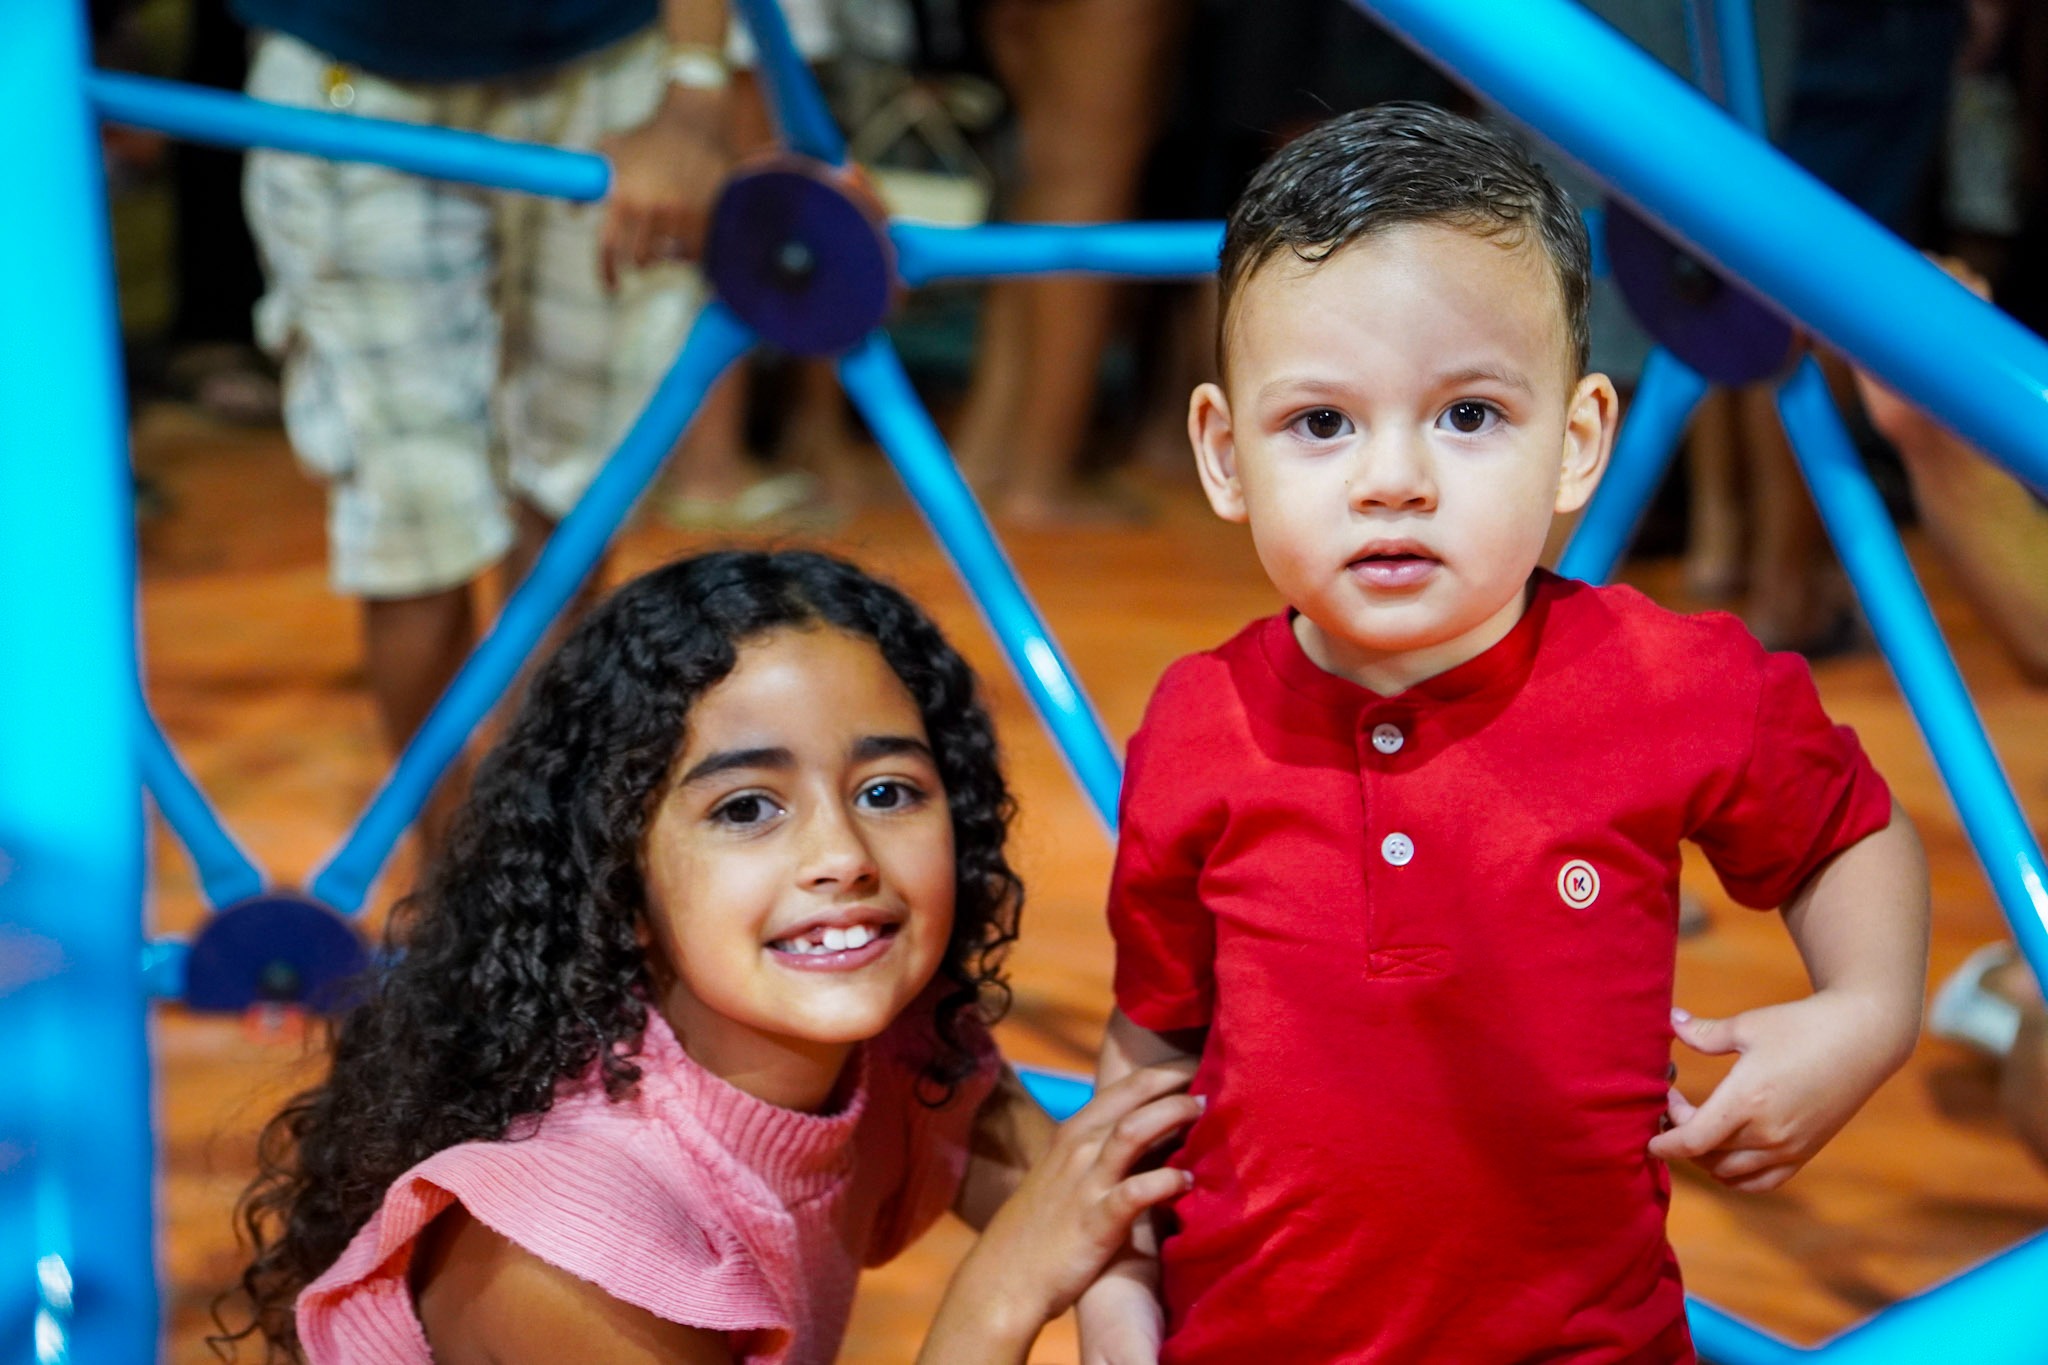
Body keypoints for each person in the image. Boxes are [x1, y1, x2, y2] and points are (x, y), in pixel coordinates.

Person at [1081, 105, 1931, 1364]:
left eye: (1467, 415)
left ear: (1575, 442)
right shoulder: (1198, 722)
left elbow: (1844, 833)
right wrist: (1112, 1286)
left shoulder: (1670, 682)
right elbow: (1151, 1040)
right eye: (1320, 423)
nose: (1392, 480)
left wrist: (1864, 1013)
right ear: (1222, 455)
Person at [213, 550, 1200, 1364]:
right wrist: (997, 1299)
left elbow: (1087, 1200)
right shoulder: (561, 1246)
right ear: (620, 882)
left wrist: (1110, 1301)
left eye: (888, 791)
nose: (843, 857)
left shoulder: (901, 1045)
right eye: (746, 808)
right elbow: (1042, 1233)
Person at [237, 0, 740, 851]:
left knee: (576, 494)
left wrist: (694, 91)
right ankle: (452, 880)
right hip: (354, 71)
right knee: (413, 514)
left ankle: (534, 853)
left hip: (609, 61)